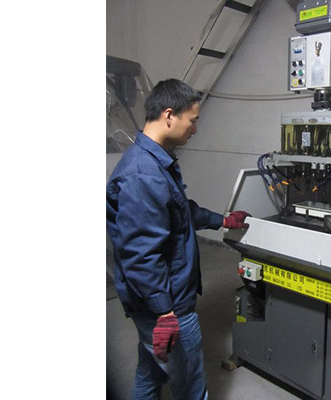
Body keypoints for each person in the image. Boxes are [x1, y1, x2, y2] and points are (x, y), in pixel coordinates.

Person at [106, 78, 250, 400]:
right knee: (191, 389)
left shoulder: (155, 160)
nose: (195, 129)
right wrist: (165, 314)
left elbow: (178, 211)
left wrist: (221, 220)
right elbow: (141, 254)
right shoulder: (144, 173)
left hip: (155, 302)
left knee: (150, 373)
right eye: (193, 120)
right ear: (169, 115)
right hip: (167, 305)